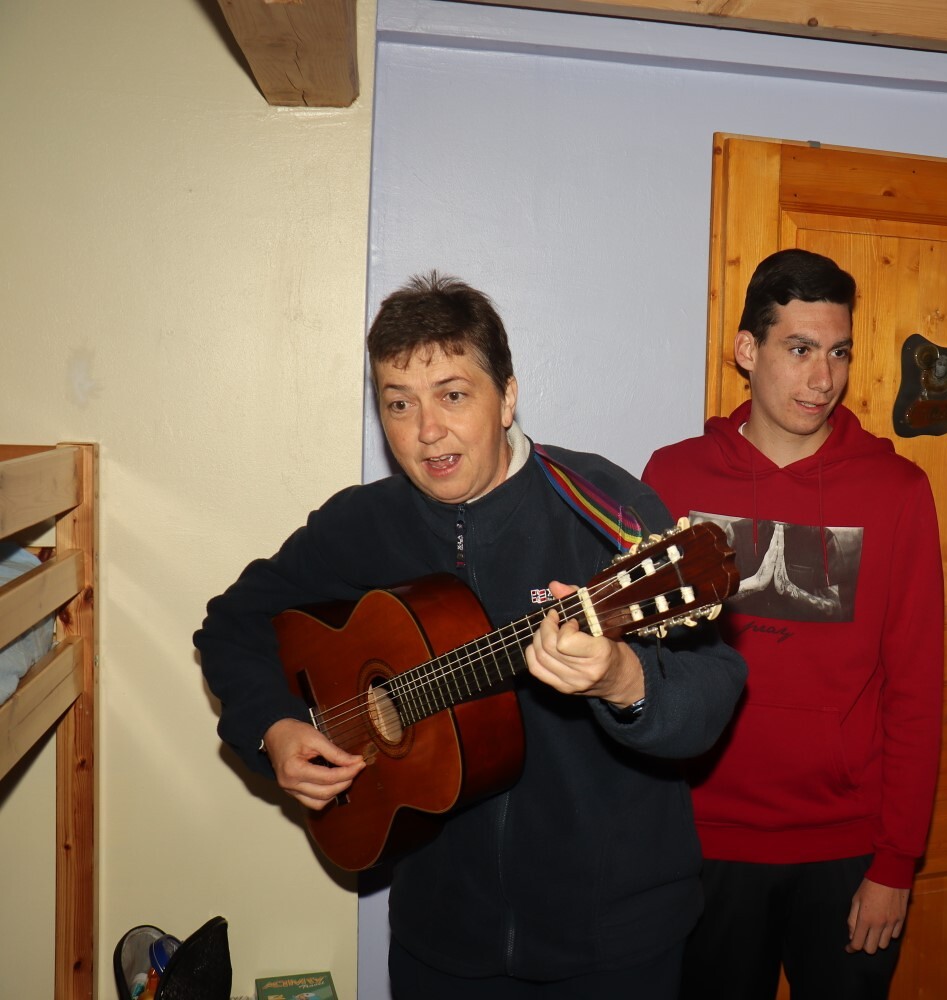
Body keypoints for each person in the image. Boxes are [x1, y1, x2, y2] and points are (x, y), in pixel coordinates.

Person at [193, 273, 747, 999]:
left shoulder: (602, 506)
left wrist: (623, 680)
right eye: (399, 403)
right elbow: (232, 624)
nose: (427, 430)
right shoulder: (361, 525)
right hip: (440, 941)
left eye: (453, 395)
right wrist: (274, 727)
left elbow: (713, 688)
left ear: (507, 397)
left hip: (612, 941)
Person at [642, 248, 943, 999]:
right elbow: (642, 670)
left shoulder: (897, 491)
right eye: (800, 349)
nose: (823, 379)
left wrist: (896, 862)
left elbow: (915, 688)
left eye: (839, 353)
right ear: (748, 350)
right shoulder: (673, 478)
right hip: (701, 844)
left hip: (846, 850)